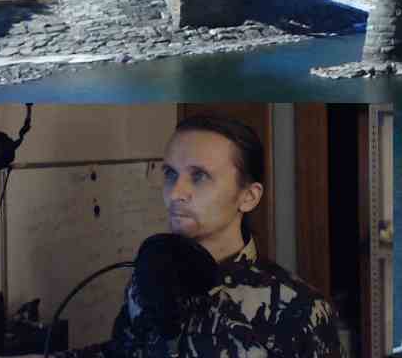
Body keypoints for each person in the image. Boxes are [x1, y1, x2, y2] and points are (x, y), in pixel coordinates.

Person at [62, 113, 346, 358]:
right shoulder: (150, 279)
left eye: (199, 177)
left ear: (248, 197)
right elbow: (123, 351)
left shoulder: (302, 309)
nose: (175, 193)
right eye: (170, 174)